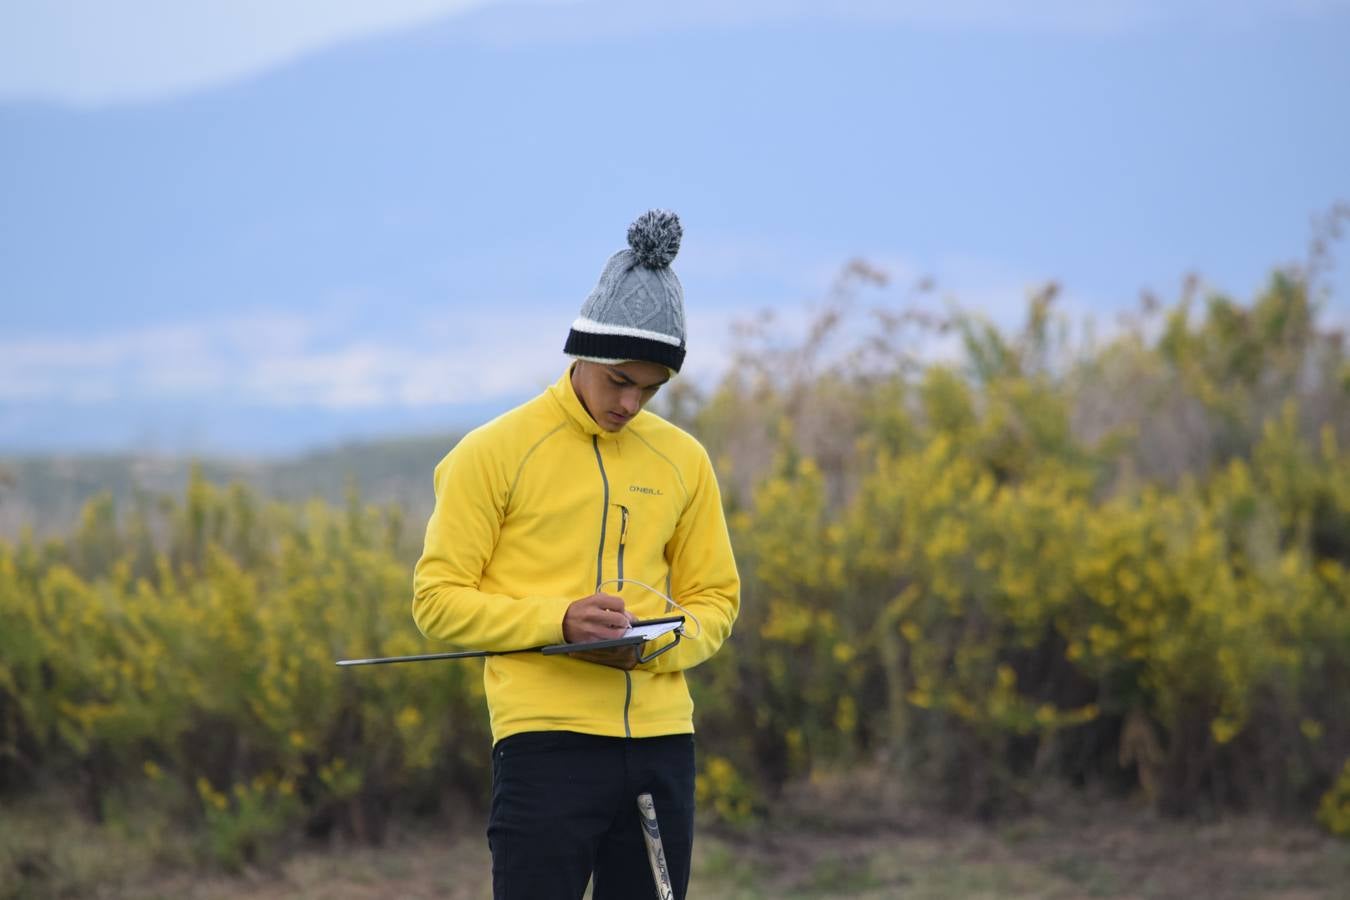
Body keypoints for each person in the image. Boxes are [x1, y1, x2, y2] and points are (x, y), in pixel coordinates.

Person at [412, 209, 740, 900]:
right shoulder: (490, 453)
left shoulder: (684, 460)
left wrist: (655, 648)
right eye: (619, 380)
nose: (631, 402)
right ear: (582, 352)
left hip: (663, 744)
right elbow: (436, 602)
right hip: (544, 745)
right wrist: (558, 621)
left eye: (650, 388)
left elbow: (716, 600)